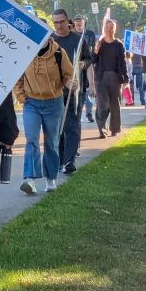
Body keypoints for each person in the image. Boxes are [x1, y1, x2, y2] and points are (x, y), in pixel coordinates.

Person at [14, 34, 74, 195]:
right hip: (31, 104)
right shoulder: (24, 52)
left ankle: (50, 178)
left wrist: (71, 83)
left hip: (54, 103)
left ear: (48, 38)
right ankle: (29, 179)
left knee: (51, 142)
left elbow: (69, 75)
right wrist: (21, 96)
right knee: (31, 139)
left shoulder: (59, 53)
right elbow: (17, 77)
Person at [51, 9, 89, 175]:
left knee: (72, 125)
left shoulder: (78, 40)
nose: (59, 25)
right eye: (56, 22)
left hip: (74, 89)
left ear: (68, 21)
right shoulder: (51, 41)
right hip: (55, 90)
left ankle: (69, 161)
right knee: (57, 126)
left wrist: (82, 64)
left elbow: (88, 58)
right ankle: (59, 159)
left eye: (61, 22)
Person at [94, 19, 129, 137]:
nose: (109, 29)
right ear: (104, 28)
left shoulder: (119, 44)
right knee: (102, 103)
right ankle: (102, 128)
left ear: (114, 29)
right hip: (101, 77)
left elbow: (123, 62)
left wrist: (126, 79)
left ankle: (115, 128)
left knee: (114, 103)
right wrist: (95, 51)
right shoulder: (100, 43)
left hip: (115, 76)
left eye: (111, 27)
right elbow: (93, 60)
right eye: (107, 27)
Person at [73, 15, 98, 122]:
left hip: (88, 62)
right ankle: (76, 112)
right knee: (77, 89)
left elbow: (93, 48)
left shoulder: (90, 34)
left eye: (80, 24)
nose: (78, 26)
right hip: (75, 65)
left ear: (84, 23)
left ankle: (89, 112)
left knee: (88, 89)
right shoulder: (72, 34)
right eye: (77, 24)